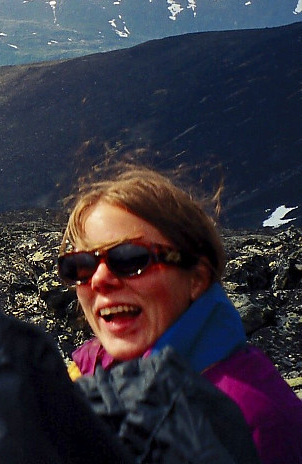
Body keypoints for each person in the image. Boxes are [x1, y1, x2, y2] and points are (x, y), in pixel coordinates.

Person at [59, 165, 302, 464]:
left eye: (131, 258)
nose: (98, 280)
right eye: (80, 266)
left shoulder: (250, 420)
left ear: (196, 279)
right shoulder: (87, 374)